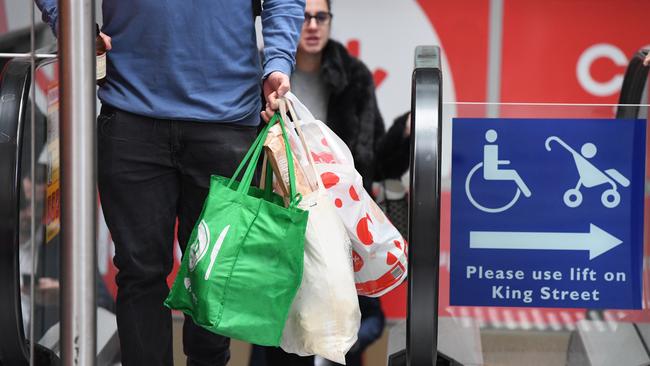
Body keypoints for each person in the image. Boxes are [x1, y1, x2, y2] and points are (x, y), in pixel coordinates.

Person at [34, 1, 305, 365]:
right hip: (132, 112)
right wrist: (68, 24)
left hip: (226, 118)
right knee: (139, 273)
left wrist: (278, 61)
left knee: (213, 272)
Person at [262, 0, 409, 365]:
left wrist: (407, 133)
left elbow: (373, 154)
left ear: (330, 22)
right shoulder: (262, 75)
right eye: (304, 16)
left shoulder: (353, 75)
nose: (312, 25)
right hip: (282, 214)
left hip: (337, 219)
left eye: (320, 17)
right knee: (281, 326)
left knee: (342, 320)